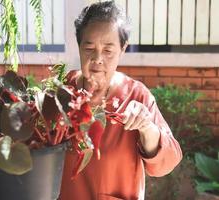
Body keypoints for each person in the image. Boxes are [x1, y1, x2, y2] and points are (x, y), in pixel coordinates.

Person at [59, 1, 182, 200]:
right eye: (89, 48)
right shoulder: (63, 91)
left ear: (122, 49)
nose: (98, 58)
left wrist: (147, 127)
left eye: (108, 50)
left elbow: (166, 163)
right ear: (79, 46)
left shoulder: (136, 95)